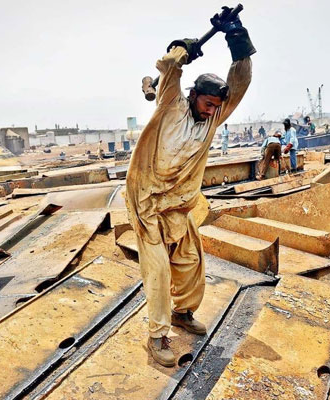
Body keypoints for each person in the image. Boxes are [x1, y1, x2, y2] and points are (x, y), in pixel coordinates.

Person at [125, 7, 255, 368]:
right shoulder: (170, 104)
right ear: (194, 94)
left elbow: (240, 82)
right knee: (159, 269)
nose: (213, 109)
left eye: (218, 105)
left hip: (177, 203)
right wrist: (182, 50)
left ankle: (183, 313)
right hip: (147, 199)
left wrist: (237, 39)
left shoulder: (213, 118)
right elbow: (169, 68)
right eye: (208, 102)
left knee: (189, 261)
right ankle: (157, 336)